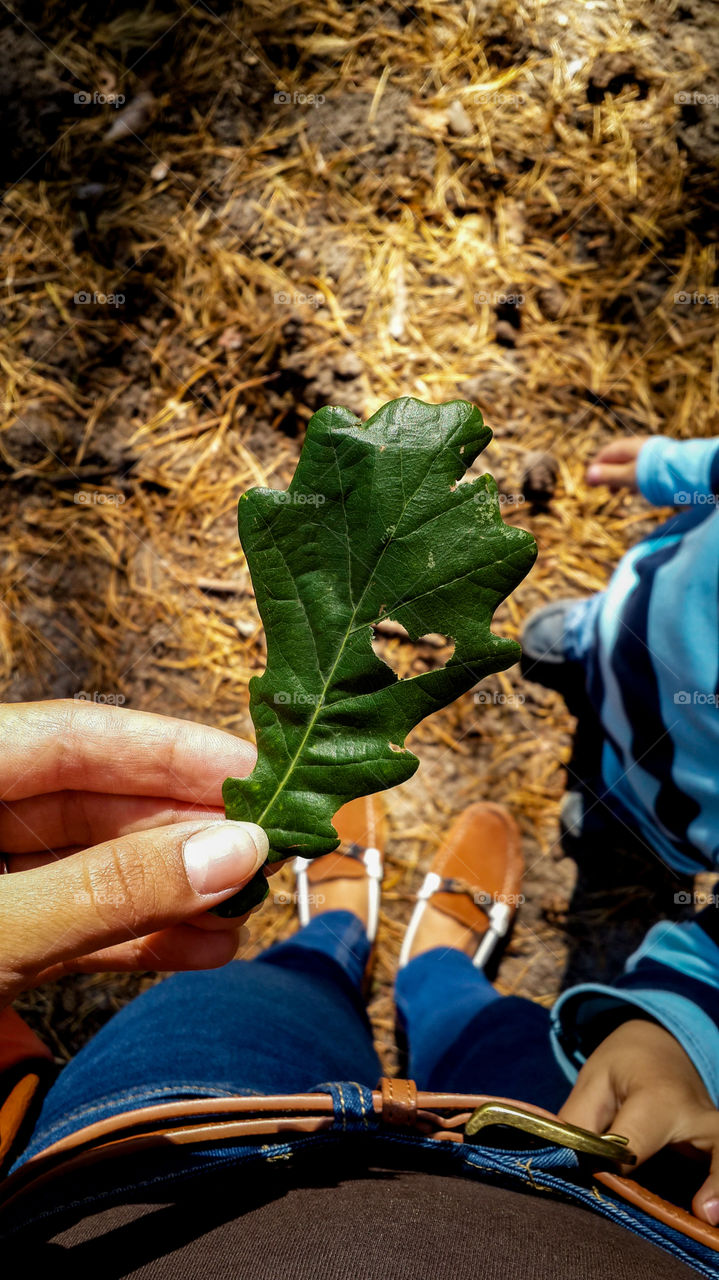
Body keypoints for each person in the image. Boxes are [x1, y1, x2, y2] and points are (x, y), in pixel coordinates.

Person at [0, 699, 718, 1277]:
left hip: (147, 1161)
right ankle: (436, 968)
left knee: (267, 987)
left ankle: (337, 930)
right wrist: (679, 1030)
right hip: (590, 1186)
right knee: (486, 1027)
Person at [521, 433, 719, 875]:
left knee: (649, 788)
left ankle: (624, 808)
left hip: (686, 782)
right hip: (644, 611)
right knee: (614, 631)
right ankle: (592, 641)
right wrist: (676, 467)